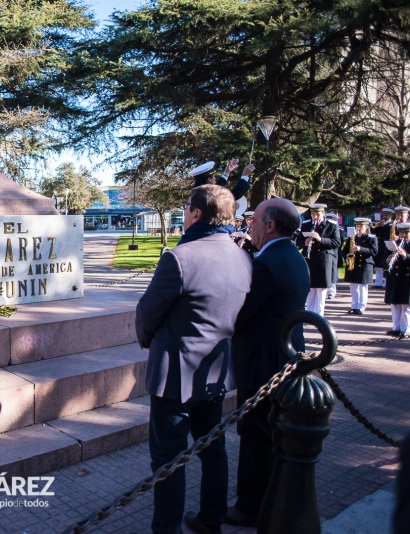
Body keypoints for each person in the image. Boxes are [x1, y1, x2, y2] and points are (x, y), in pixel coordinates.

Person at [135, 185, 253, 534]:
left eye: (186, 207)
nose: (184, 213)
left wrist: (145, 339)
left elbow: (147, 314)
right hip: (215, 373)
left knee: (168, 460)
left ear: (196, 214)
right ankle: (210, 520)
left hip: (175, 374)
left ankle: (167, 529)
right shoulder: (243, 256)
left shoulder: (180, 257)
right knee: (213, 450)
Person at [227, 197, 310, 527]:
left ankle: (250, 506)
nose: (251, 225)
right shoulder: (294, 257)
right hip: (285, 358)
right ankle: (268, 497)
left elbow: (241, 314)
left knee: (255, 434)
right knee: (270, 435)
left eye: (255, 220)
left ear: (270, 225)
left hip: (262, 363)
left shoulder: (267, 264)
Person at [294, 203, 341, 316]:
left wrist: (320, 239)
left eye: (317, 214)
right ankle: (309, 314)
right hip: (310, 259)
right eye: (313, 214)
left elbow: (336, 242)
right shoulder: (306, 225)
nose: (315, 217)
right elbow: (297, 241)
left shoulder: (332, 225)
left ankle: (318, 315)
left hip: (324, 260)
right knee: (310, 289)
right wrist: (303, 243)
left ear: (323, 214)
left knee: (320, 289)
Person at [342, 218, 378, 314]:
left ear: (366, 227)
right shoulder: (351, 237)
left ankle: (361, 307)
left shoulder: (371, 238)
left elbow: (374, 251)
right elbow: (344, 250)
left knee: (362, 287)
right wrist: (346, 257)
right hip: (353, 263)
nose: (358, 228)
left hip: (365, 264)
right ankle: (354, 305)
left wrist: (360, 249)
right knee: (353, 286)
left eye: (361, 226)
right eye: (357, 226)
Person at [385, 222, 410, 338]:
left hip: (407, 278)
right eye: (401, 232)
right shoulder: (397, 243)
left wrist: (406, 256)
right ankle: (396, 328)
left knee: (405, 305)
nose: (403, 235)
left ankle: (406, 330)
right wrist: (389, 258)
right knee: (395, 304)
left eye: (406, 232)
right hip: (396, 277)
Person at [188, 159, 254, 201]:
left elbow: (217, 189)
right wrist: (245, 176)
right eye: (213, 177)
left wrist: (227, 172)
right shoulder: (210, 197)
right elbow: (232, 196)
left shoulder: (197, 195)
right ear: (209, 179)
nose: (215, 179)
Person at [374, 207, 395, 289]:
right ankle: (378, 283)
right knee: (378, 266)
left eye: (386, 215)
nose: (384, 216)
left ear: (390, 216)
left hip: (387, 247)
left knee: (386, 265)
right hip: (379, 246)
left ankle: (386, 283)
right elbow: (374, 234)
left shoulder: (392, 224)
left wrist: (384, 226)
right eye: (384, 215)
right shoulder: (380, 224)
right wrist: (377, 226)